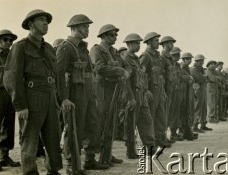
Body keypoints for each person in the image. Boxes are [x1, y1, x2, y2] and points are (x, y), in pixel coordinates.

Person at [3, 9, 62, 175]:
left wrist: (59, 99)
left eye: (47, 21)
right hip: (32, 97)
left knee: (53, 137)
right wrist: (20, 105)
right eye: (41, 20)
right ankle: (30, 172)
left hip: (50, 97)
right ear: (30, 24)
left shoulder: (50, 48)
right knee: (29, 139)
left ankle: (53, 170)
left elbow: (56, 76)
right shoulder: (20, 47)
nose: (45, 23)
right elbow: (12, 77)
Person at [56, 14, 109, 173]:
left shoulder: (83, 48)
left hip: (88, 91)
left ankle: (89, 160)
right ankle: (72, 164)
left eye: (87, 27)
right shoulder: (65, 48)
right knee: (74, 127)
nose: (87, 30)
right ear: (74, 28)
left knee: (92, 124)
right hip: (74, 92)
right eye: (84, 26)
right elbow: (58, 74)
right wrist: (64, 98)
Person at [90, 24, 127, 166]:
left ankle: (107, 154)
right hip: (102, 90)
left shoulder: (113, 51)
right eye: (112, 35)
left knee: (111, 122)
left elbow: (125, 64)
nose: (115, 37)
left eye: (116, 35)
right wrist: (119, 71)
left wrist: (124, 69)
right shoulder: (96, 50)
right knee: (102, 123)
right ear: (104, 36)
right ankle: (99, 156)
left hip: (113, 90)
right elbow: (99, 68)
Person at [123, 33, 156, 158]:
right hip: (132, 95)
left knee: (146, 120)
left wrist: (146, 89)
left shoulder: (136, 59)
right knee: (131, 122)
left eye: (139, 42)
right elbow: (126, 81)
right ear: (129, 44)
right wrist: (130, 98)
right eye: (136, 43)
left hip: (141, 95)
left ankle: (150, 146)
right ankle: (130, 150)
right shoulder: (125, 59)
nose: (139, 45)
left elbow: (142, 76)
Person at [0, 29, 20, 171]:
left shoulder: (13, 56)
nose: (9, 43)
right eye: (5, 40)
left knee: (9, 125)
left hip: (10, 94)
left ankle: (4, 156)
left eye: (11, 40)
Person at [140, 32, 171, 148]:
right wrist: (145, 90)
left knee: (160, 116)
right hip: (151, 90)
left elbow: (160, 75)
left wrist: (162, 92)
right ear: (149, 42)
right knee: (151, 116)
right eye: (156, 41)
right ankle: (151, 142)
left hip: (159, 89)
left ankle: (159, 139)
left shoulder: (157, 56)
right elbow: (141, 75)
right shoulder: (146, 56)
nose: (158, 43)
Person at [160, 36, 181, 144]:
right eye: (169, 43)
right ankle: (162, 137)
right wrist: (162, 91)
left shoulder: (169, 59)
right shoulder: (162, 57)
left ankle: (166, 136)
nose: (171, 45)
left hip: (172, 89)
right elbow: (160, 75)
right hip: (165, 89)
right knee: (164, 114)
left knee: (169, 113)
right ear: (163, 44)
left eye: (172, 43)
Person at [190, 55, 212, 133]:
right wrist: (204, 76)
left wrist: (204, 77)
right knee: (197, 107)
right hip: (197, 89)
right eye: (200, 61)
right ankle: (195, 125)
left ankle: (203, 124)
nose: (201, 62)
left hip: (202, 88)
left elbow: (207, 78)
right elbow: (202, 79)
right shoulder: (194, 69)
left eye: (202, 61)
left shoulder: (201, 69)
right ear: (196, 61)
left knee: (203, 108)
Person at [180, 52, 198, 140]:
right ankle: (185, 132)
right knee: (185, 113)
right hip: (183, 92)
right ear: (183, 59)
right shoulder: (182, 66)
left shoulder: (186, 67)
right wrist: (189, 78)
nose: (190, 60)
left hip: (187, 92)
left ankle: (186, 132)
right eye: (188, 59)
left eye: (190, 59)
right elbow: (181, 77)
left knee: (188, 112)